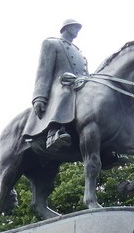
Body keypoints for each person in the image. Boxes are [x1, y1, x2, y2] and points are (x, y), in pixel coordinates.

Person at [25, 19, 89, 151]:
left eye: (78, 28)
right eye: (75, 28)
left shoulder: (80, 53)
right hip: (60, 84)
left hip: (80, 86)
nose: (77, 31)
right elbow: (44, 71)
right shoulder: (51, 43)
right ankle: (53, 132)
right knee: (65, 92)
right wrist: (39, 97)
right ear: (66, 28)